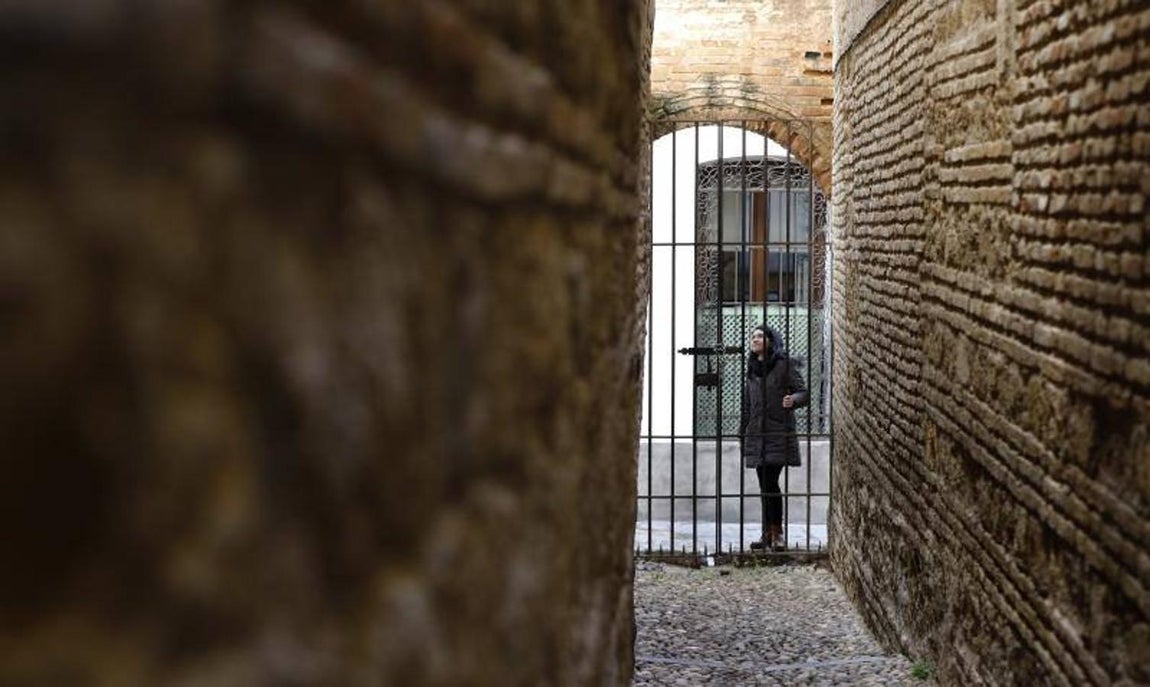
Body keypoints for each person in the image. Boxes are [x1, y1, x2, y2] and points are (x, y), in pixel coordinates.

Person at [741, 324, 808, 551]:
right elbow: (747, 405)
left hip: (778, 432)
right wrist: (744, 435)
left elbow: (803, 391)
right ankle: (767, 533)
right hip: (757, 434)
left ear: (771, 341)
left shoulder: (783, 365)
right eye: (753, 336)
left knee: (770, 483)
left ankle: (777, 533)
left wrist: (794, 400)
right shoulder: (751, 368)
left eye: (760, 336)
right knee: (764, 485)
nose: (755, 339)